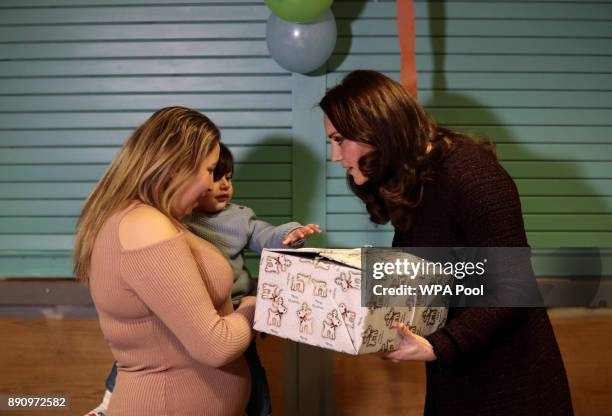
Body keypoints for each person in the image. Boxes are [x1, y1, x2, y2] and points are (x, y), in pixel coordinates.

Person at [320, 70, 573, 415]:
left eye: (338, 140)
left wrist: (438, 346)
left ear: (373, 129)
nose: (336, 156)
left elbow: (513, 287)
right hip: (456, 380)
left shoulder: (473, 175)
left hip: (515, 387)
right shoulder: (414, 183)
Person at [86, 142, 320, 416]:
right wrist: (259, 305)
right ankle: (106, 404)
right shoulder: (174, 219)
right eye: (212, 175)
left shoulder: (239, 218)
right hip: (202, 322)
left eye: (228, 178)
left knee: (254, 375)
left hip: (236, 311)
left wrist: (290, 235)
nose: (222, 185)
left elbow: (266, 236)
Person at [75, 107, 256, 416]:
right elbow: (216, 345)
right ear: (177, 167)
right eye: (210, 170)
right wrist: (255, 306)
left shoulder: (139, 218)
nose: (210, 185)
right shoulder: (143, 225)